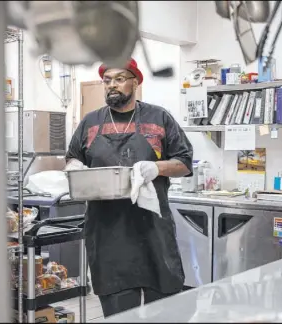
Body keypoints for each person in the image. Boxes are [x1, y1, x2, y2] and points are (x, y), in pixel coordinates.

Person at [65, 58, 193, 318]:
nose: (112, 85)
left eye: (120, 79)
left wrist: (158, 168)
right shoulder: (90, 122)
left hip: (153, 229)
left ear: (135, 81)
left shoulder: (159, 118)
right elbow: (72, 156)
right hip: (107, 233)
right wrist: (75, 167)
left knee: (165, 310)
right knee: (119, 313)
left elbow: (185, 162)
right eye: (107, 80)